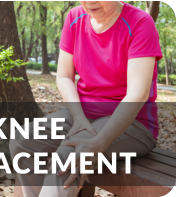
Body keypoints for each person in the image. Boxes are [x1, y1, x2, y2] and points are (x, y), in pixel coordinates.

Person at [9, 1, 162, 196]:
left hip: (134, 123)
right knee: (23, 140)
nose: (90, 1)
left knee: (67, 158)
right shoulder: (74, 17)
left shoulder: (140, 22)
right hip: (81, 114)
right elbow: (64, 75)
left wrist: (101, 141)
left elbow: (137, 94)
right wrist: (79, 117)